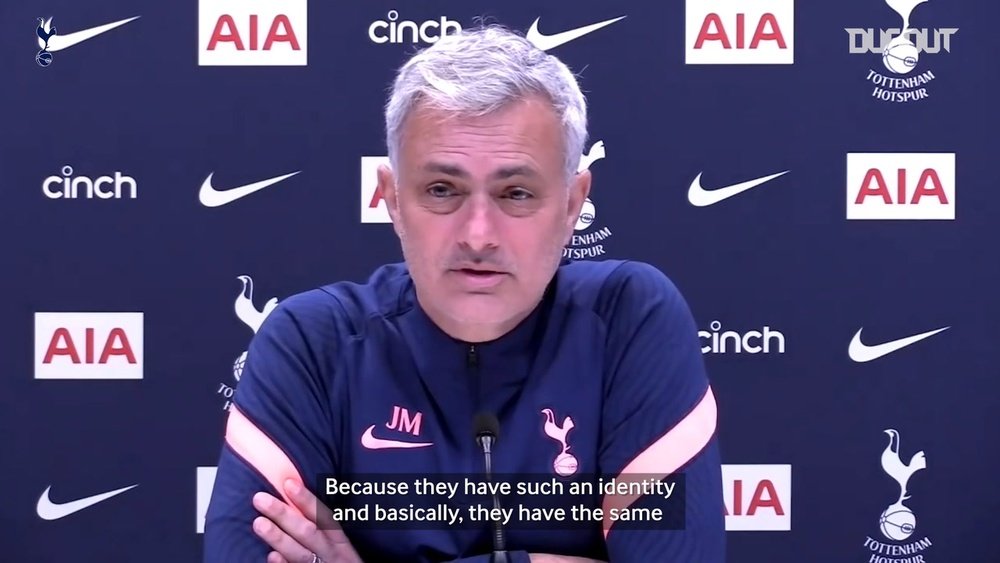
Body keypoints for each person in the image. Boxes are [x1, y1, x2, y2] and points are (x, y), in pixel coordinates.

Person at [203, 23, 725, 563]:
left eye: (516, 193)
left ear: (573, 206)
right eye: (442, 190)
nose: (478, 234)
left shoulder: (628, 319)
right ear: (392, 199)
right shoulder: (312, 343)